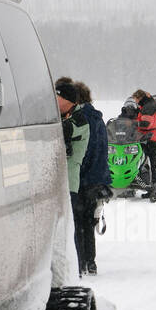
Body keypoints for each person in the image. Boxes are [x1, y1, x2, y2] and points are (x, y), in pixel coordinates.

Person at [59, 77, 112, 275]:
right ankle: (91, 261)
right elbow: (102, 149)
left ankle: (81, 262)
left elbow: (85, 151)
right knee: (88, 222)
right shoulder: (97, 117)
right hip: (97, 177)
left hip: (84, 177)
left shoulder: (82, 119)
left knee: (78, 222)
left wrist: (80, 175)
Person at [56, 80, 91, 274]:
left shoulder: (80, 120)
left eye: (58, 97)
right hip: (54, 183)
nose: (53, 101)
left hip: (69, 183)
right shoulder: (64, 116)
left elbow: (64, 130)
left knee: (71, 227)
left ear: (68, 101)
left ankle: (76, 268)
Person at [132, 88, 156, 201]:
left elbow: (146, 124)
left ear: (139, 97)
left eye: (136, 99)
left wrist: (133, 123)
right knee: (150, 161)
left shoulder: (148, 107)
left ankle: (152, 186)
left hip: (149, 137)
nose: (135, 102)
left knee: (147, 161)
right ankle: (153, 186)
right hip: (153, 136)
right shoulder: (150, 104)